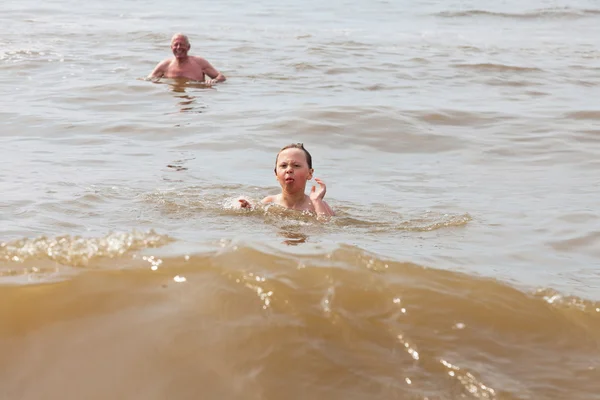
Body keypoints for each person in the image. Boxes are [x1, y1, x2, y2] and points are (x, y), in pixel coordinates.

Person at [238, 143, 335, 217]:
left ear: (309, 173)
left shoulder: (318, 205)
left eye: (296, 166)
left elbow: (326, 227)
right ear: (276, 174)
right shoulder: (269, 202)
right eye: (283, 166)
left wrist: (317, 201)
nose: (289, 170)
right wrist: (247, 209)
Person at [148, 33, 226, 84]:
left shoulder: (200, 62)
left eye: (182, 44)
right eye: (176, 45)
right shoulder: (164, 65)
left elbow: (221, 77)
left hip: (195, 97)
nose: (178, 47)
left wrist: (214, 81)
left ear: (188, 47)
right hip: (173, 100)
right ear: (171, 47)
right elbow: (149, 80)